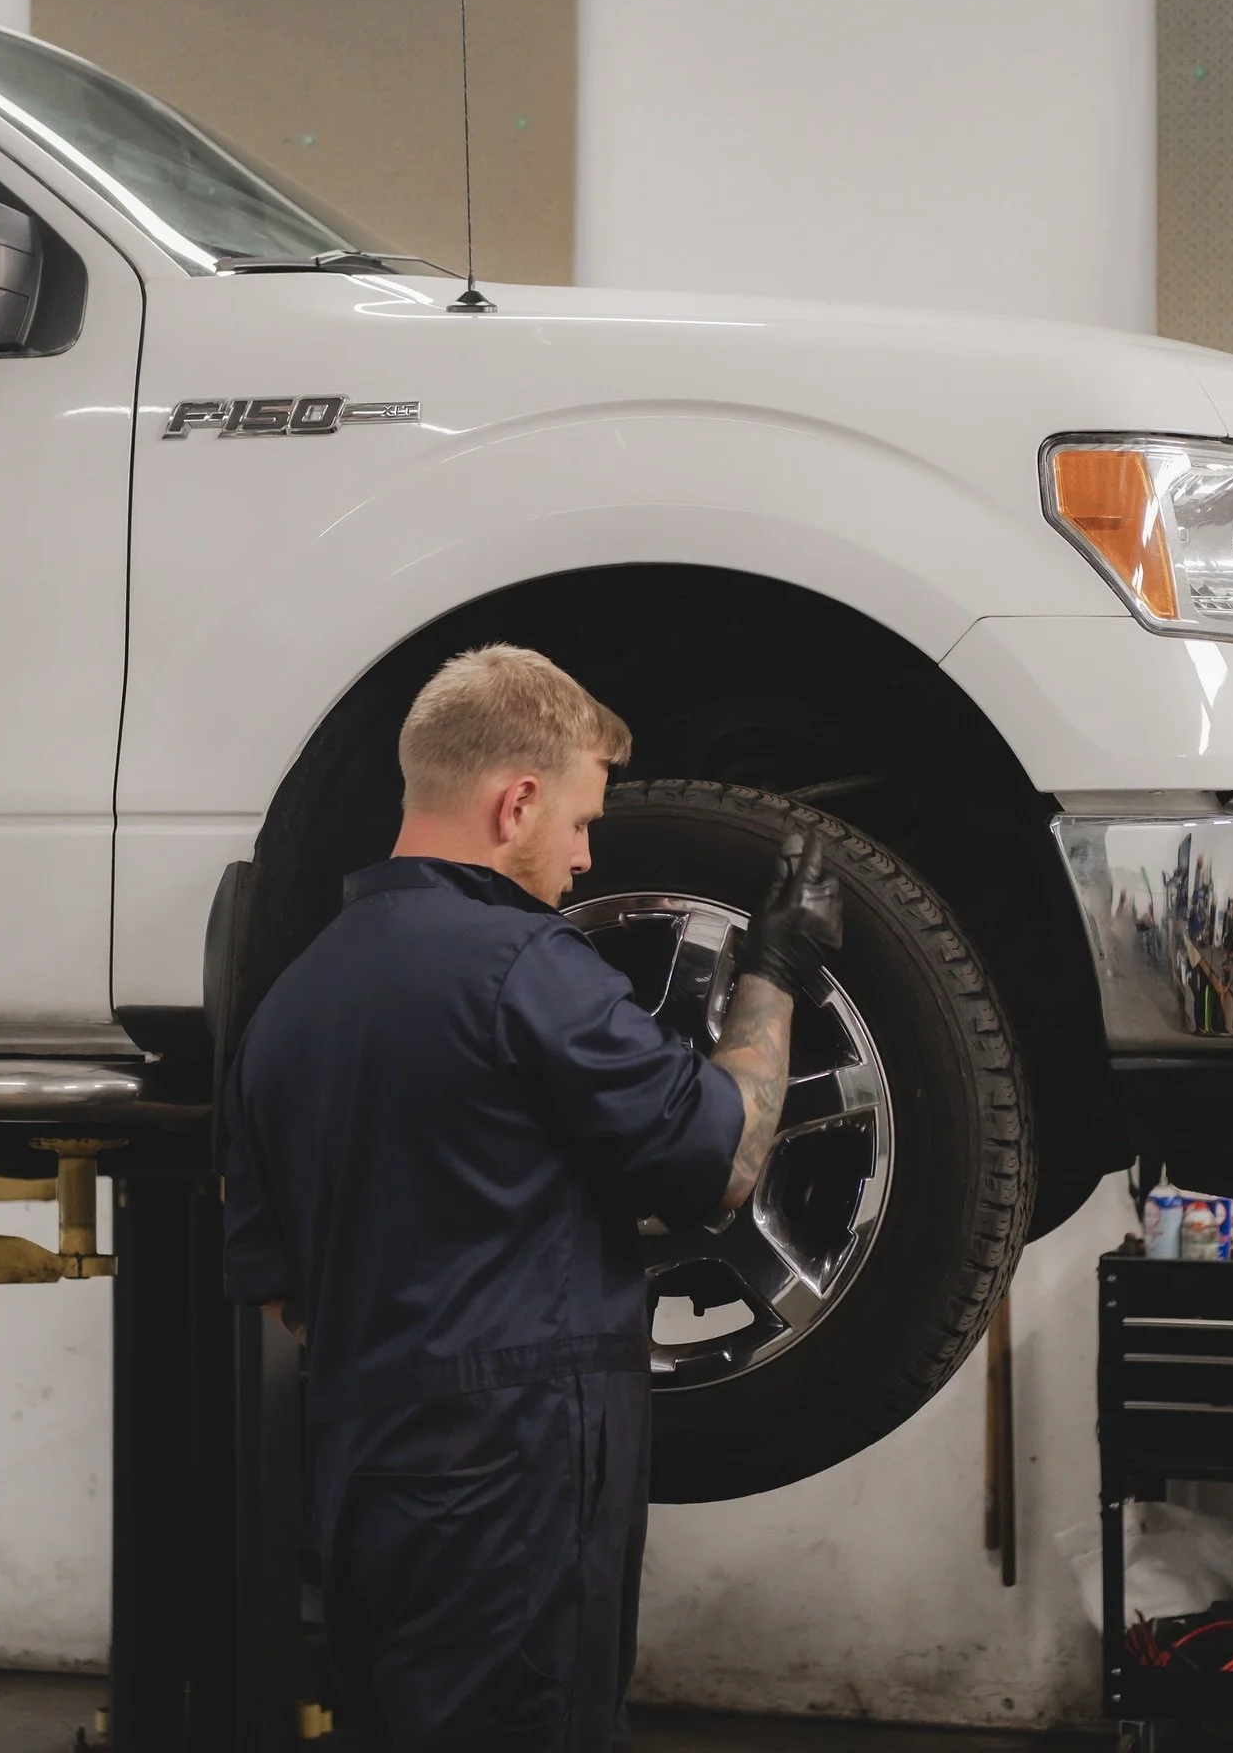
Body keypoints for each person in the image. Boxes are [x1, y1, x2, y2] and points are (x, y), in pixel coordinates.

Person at [222, 645, 842, 1751]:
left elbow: (288, 1300)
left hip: (367, 1477)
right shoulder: (523, 967)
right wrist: (776, 972)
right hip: (514, 1477)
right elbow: (723, 1160)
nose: (584, 857)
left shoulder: (289, 1007)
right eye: (580, 820)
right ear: (515, 801)